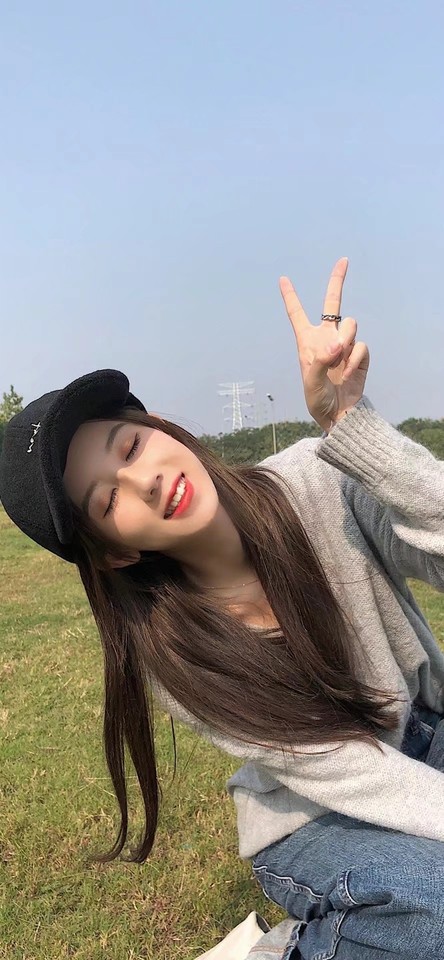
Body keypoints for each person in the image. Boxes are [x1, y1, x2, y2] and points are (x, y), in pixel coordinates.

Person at [1, 257, 444, 960]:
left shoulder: (317, 479)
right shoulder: (178, 657)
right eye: (109, 500)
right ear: (114, 552)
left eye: (130, 445)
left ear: (158, 428)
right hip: (314, 814)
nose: (146, 481)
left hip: (424, 731)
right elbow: (354, 773)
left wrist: (352, 427)